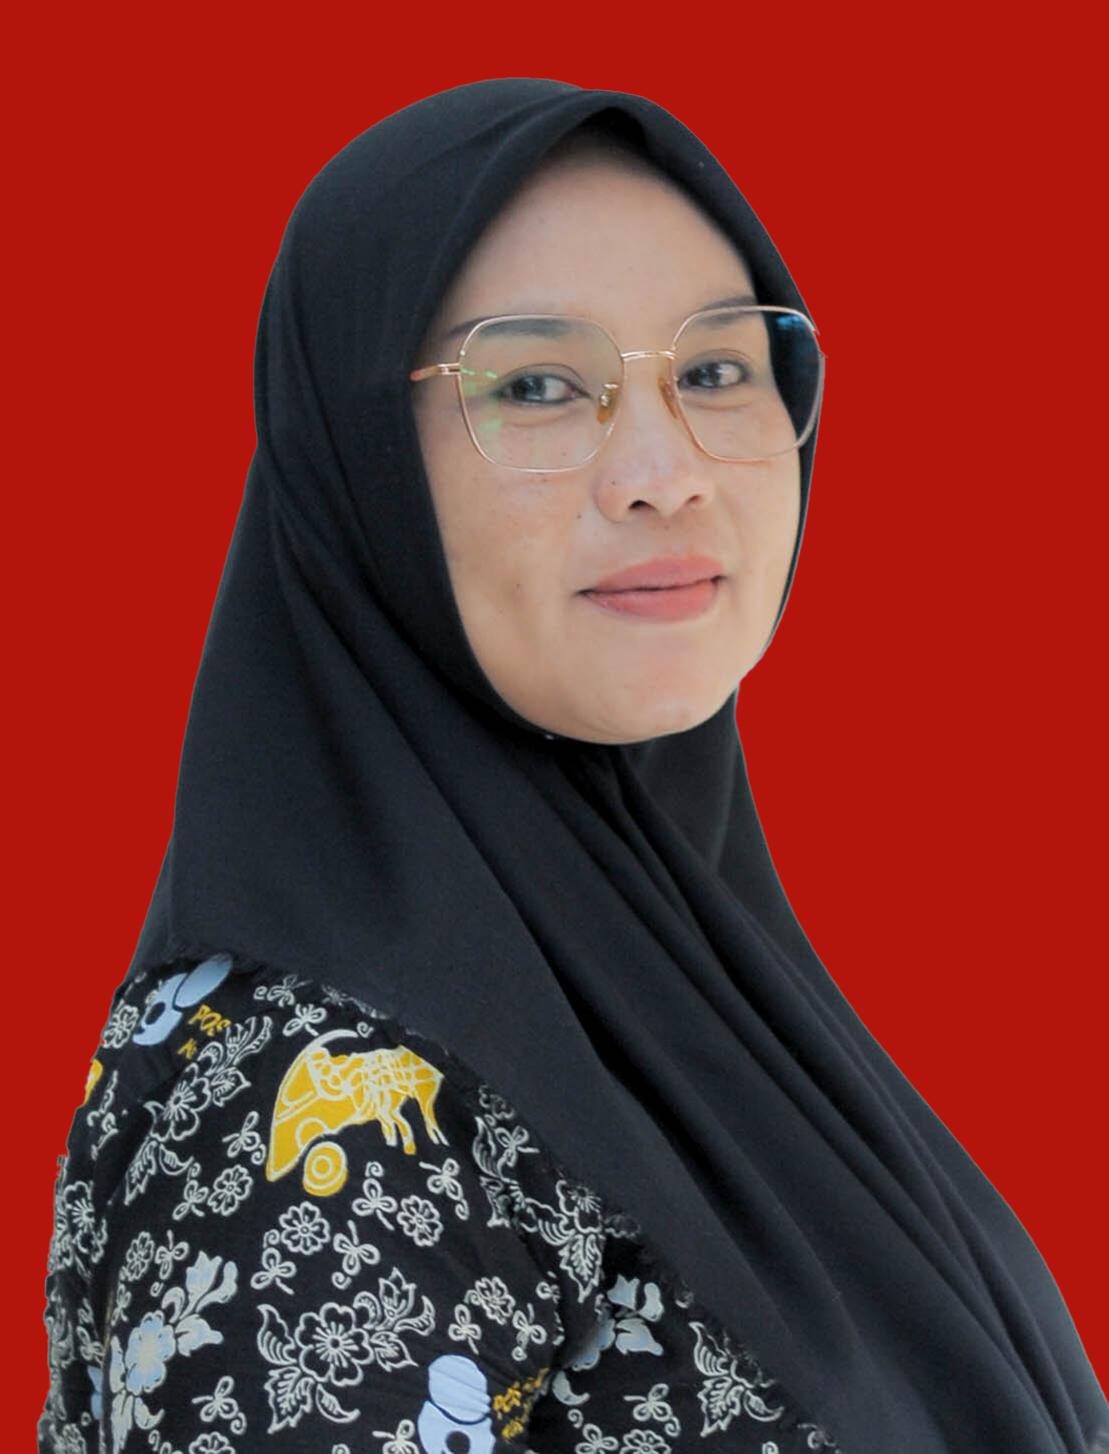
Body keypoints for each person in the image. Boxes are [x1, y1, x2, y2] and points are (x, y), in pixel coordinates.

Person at [39, 78, 1106, 1454]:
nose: (664, 472)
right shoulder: (312, 1114)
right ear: (362, 468)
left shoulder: (697, 995)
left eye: (716, 371)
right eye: (536, 385)